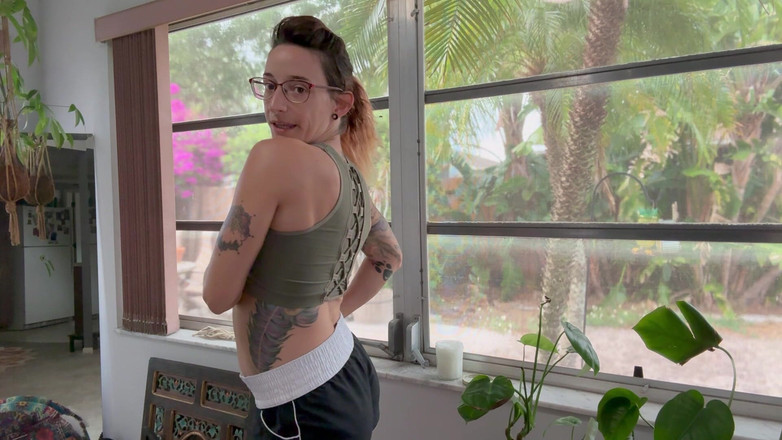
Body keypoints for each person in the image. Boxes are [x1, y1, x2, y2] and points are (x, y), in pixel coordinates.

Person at [202, 15, 402, 440]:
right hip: (344, 372)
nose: (275, 105)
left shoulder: (274, 157)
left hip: (301, 406)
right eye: (270, 85)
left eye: (297, 89)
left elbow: (216, 296)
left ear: (340, 104)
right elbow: (389, 256)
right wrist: (329, 314)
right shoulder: (352, 179)